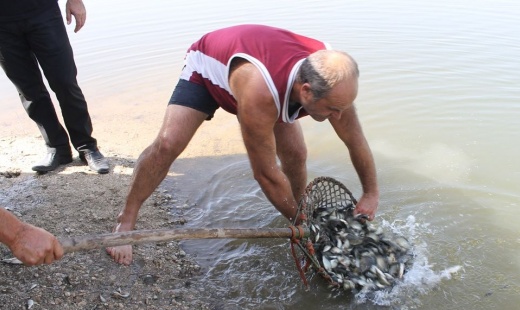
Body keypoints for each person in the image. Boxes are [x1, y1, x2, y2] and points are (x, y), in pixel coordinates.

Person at [108, 24, 379, 265]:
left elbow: (355, 140)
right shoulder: (260, 93)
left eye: (343, 107)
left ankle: (297, 214)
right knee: (168, 144)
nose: (339, 117)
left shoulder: (333, 79)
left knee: (296, 153)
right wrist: (302, 227)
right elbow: (266, 174)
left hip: (274, 79)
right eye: (333, 109)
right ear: (305, 91)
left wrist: (370, 193)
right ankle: (126, 220)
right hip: (207, 71)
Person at [0, 0, 109, 174]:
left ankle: (86, 146)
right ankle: (57, 147)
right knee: (29, 91)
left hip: (42, 12)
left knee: (65, 81)